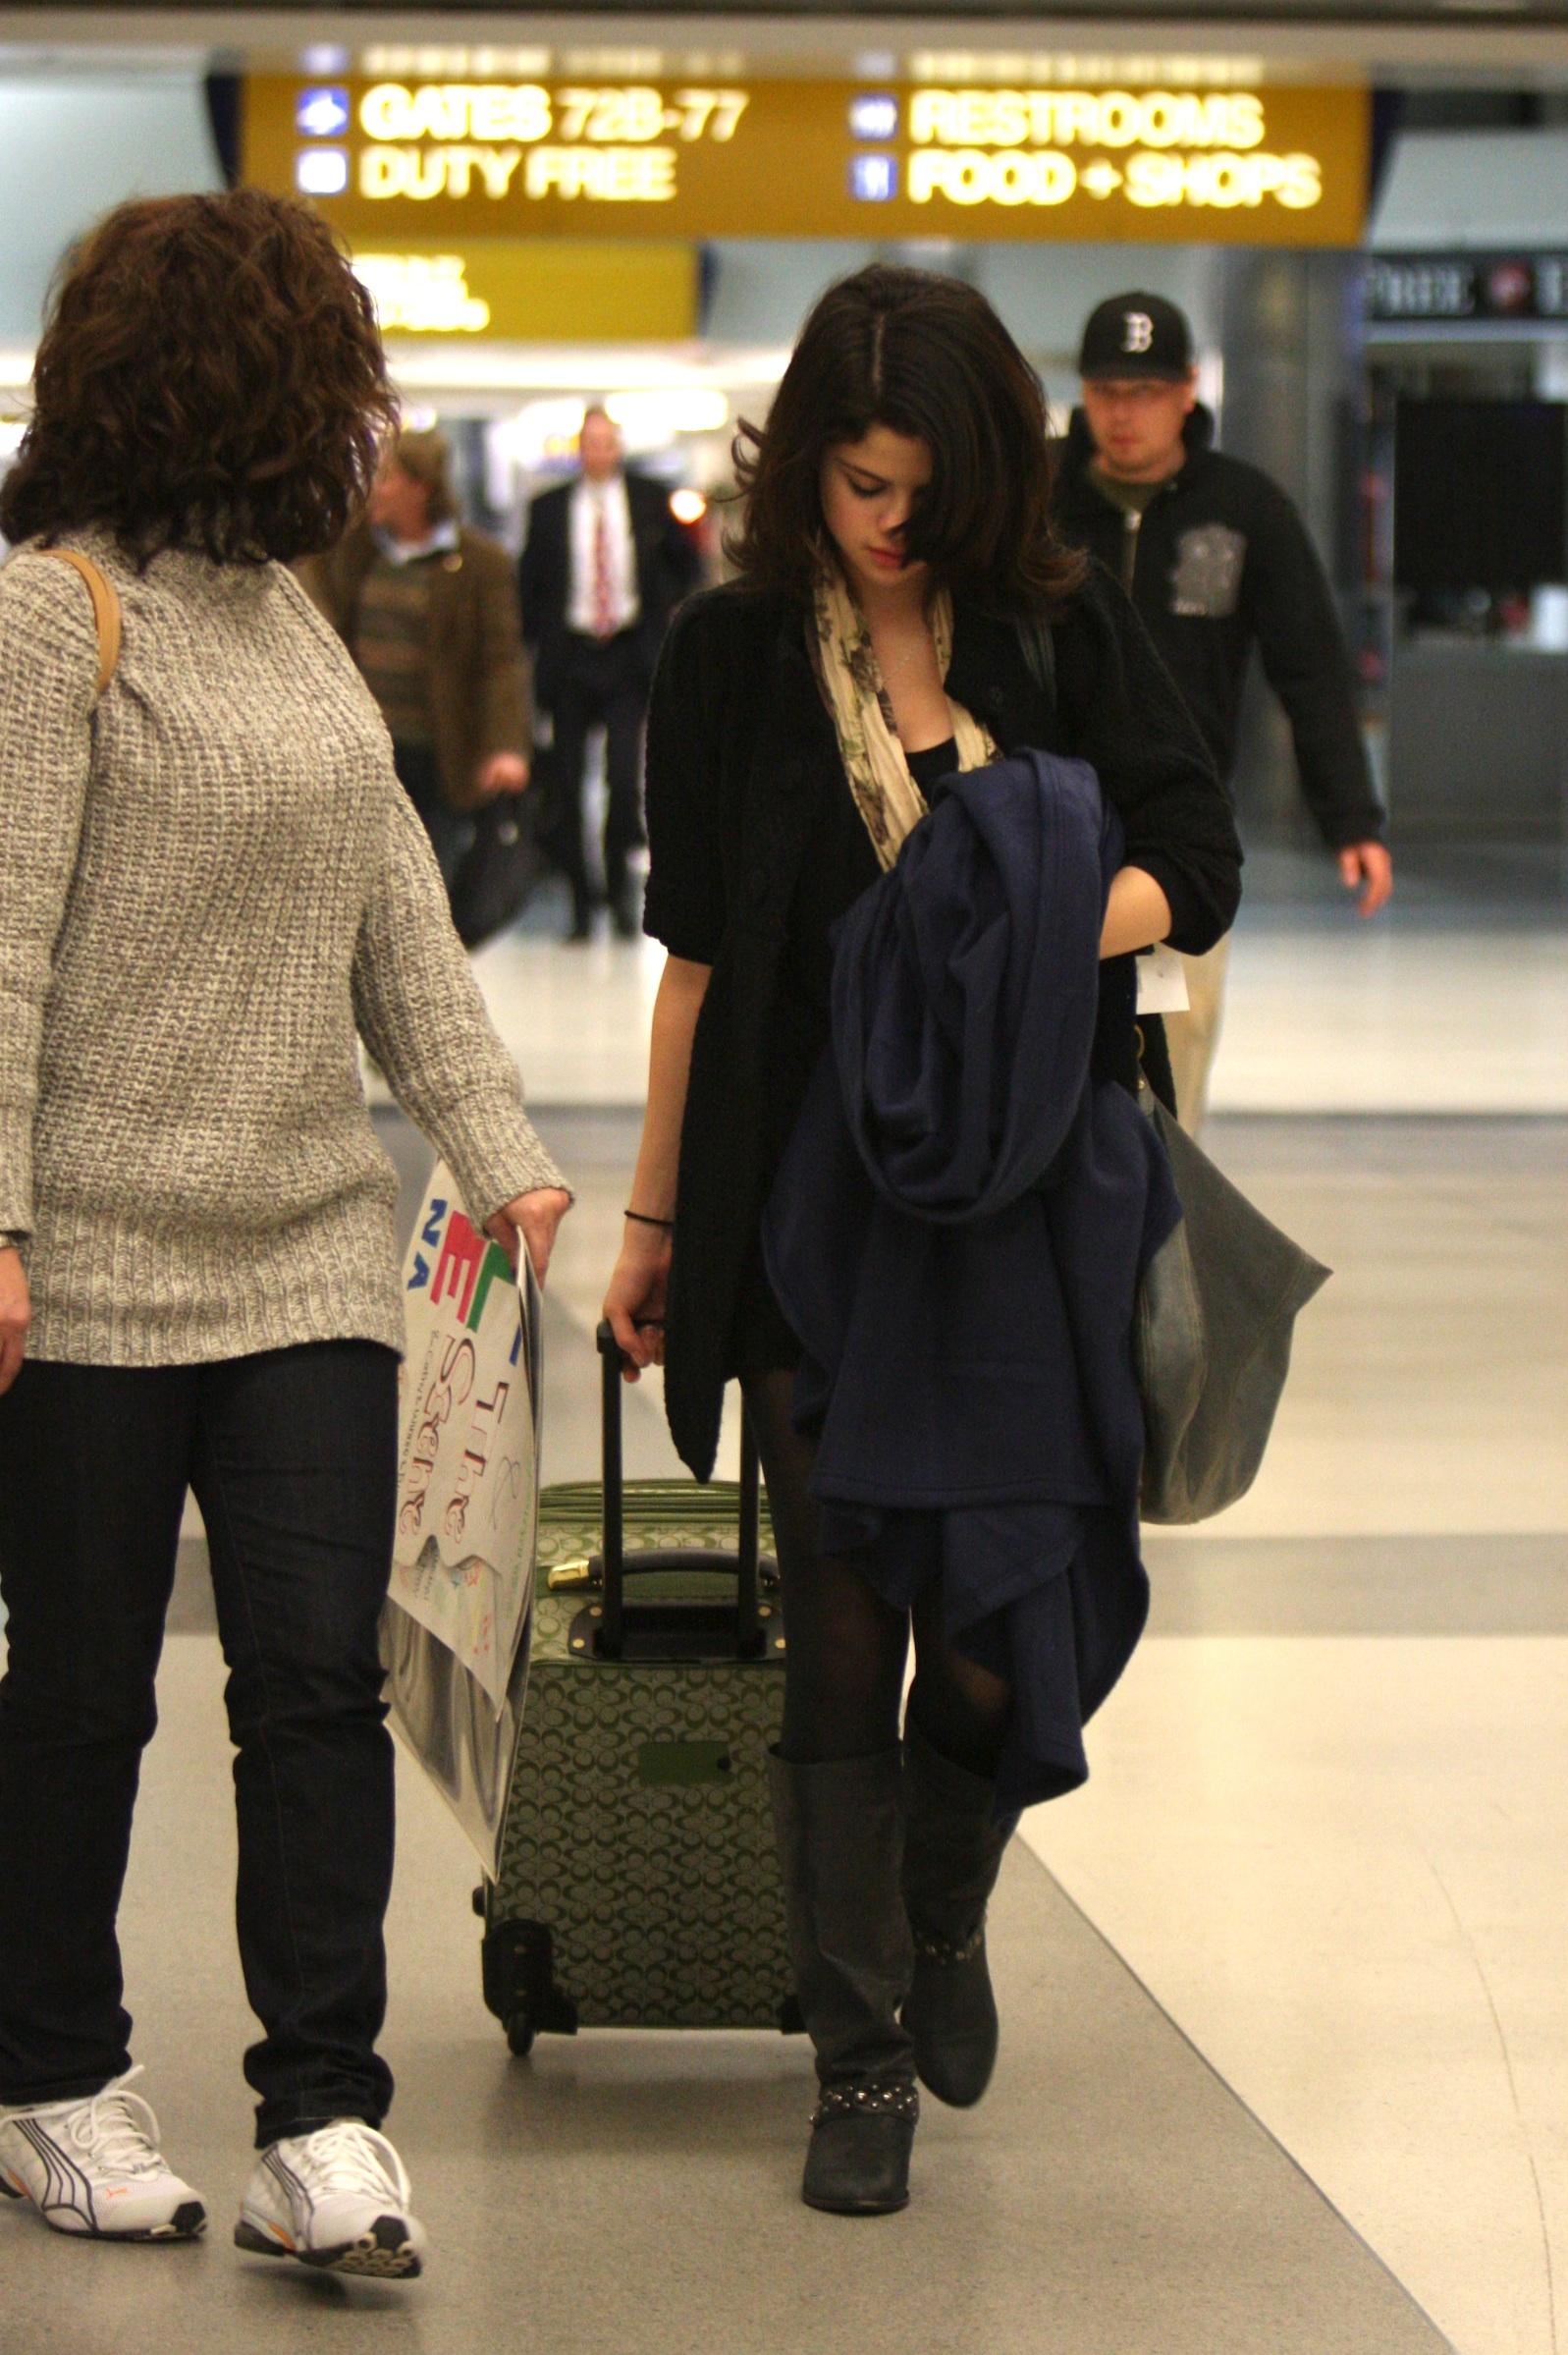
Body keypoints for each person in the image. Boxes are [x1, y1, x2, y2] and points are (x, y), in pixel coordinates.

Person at [602, 265, 1240, 2218]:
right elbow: (696, 962)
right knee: (841, 1627)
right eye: (856, 482)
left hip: (1018, 1211)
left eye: (920, 489)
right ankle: (856, 2049)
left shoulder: (1053, 624)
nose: (886, 521)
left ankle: (944, 1901)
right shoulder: (728, 654)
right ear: (804, 462)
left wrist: (1031, 914)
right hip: (807, 1212)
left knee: (981, 1641)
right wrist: (651, 1217)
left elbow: (1196, 860)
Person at [0, 191, 571, 2277]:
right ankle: (52, 2078)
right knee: (79, 1697)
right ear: (234, 383)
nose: (356, 420)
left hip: (311, 1254)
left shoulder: (289, 616)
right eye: (328, 375)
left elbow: (393, 906)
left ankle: (323, 2117)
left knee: (318, 1686)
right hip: (89, 1265)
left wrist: (499, 1149)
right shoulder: (51, 614)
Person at [1054, 291, 1393, 1130]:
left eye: (1144, 392)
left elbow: (1308, 666)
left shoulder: (1241, 509)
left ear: (1186, 391)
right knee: (1040, 1045)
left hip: (1176, 836)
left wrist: (1350, 816)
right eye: (1105, 391)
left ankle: (1165, 1207)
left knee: (1170, 1053)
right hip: (1048, 818)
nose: (1122, 414)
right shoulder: (1036, 501)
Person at [301, 425, 531, 894]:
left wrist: (506, 746)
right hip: (370, 752)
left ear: (420, 487)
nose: (376, 491)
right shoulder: (355, 552)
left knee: (429, 881)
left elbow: (501, 660)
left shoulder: (480, 563)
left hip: (439, 751)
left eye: (387, 479)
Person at [519, 406, 703, 941]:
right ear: (579, 449)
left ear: (618, 448)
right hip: (571, 659)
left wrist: (666, 614)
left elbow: (684, 566)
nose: (598, 452)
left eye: (607, 442)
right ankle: (581, 900)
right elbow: (530, 586)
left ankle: (622, 892)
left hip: (627, 657)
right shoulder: (550, 508)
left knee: (624, 781)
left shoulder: (649, 499)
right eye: (590, 443)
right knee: (567, 783)